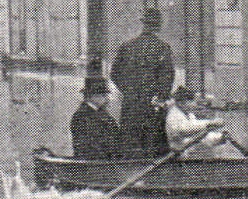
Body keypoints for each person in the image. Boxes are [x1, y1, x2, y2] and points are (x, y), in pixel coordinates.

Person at [110, 8, 176, 158]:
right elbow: (167, 78)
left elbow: (114, 74)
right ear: (159, 26)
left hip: (131, 104)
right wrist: (160, 96)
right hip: (153, 105)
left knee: (130, 142)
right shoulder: (162, 48)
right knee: (153, 145)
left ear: (143, 24)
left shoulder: (127, 46)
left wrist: (129, 90)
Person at [71, 76, 123, 160]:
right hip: (92, 162)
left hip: (107, 160)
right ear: (92, 96)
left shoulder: (103, 114)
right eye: (103, 95)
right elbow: (86, 146)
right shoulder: (81, 116)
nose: (107, 99)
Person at [165, 85, 225, 157]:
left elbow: (195, 124)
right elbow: (185, 129)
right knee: (205, 144)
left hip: (187, 145)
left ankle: (218, 138)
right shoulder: (174, 115)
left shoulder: (187, 113)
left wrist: (211, 123)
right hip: (180, 149)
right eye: (191, 102)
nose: (193, 105)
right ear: (181, 102)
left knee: (211, 140)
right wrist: (209, 124)